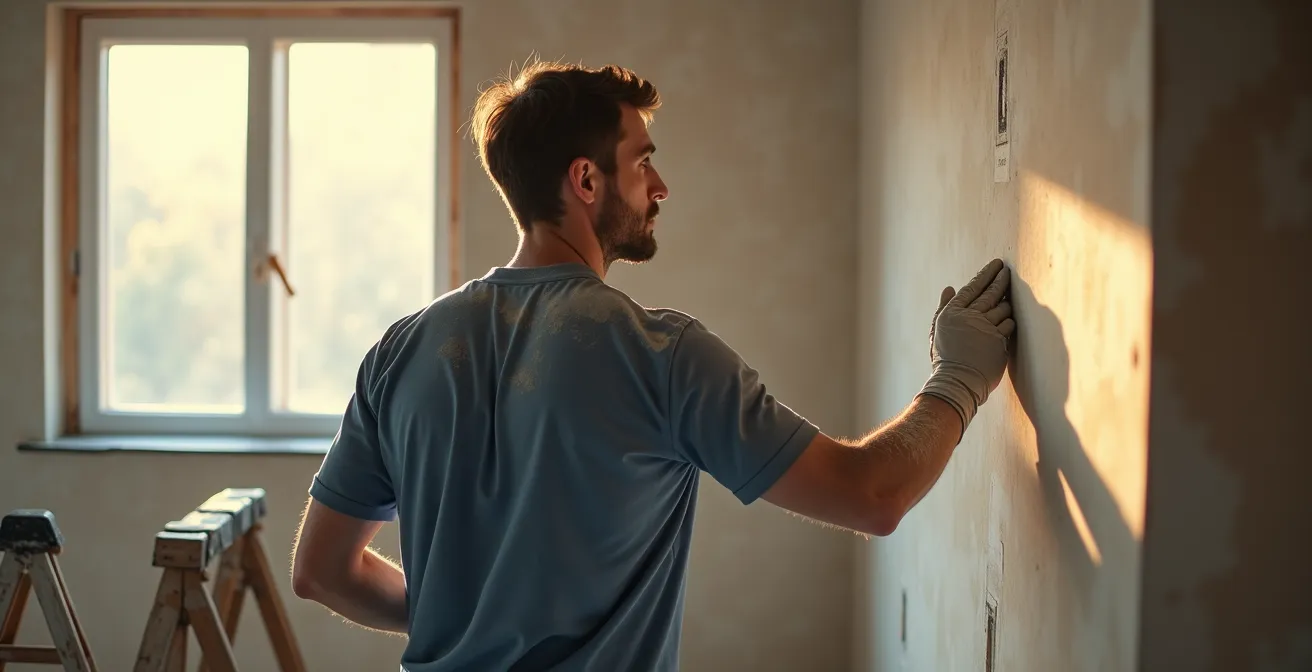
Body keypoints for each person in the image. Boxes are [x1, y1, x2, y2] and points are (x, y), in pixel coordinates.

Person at [289, 60, 1016, 672]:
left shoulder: (402, 351)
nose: (659, 186)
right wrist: (960, 377)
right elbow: (871, 495)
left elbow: (321, 571)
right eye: (642, 161)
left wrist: (467, 614)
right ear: (586, 180)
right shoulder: (658, 354)